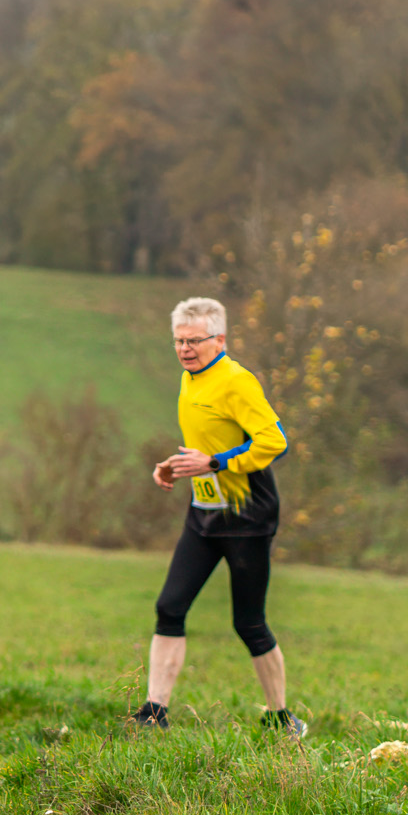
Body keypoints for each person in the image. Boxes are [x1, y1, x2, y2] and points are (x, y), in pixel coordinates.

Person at [138, 296, 305, 736]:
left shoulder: (237, 381)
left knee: (248, 622)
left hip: (247, 516)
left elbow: (275, 441)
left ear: (220, 339)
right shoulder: (189, 378)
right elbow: (205, 443)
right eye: (179, 341)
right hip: (204, 513)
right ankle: (154, 713)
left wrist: (215, 464)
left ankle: (281, 719)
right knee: (170, 607)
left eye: (194, 341)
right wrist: (173, 466)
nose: (185, 349)